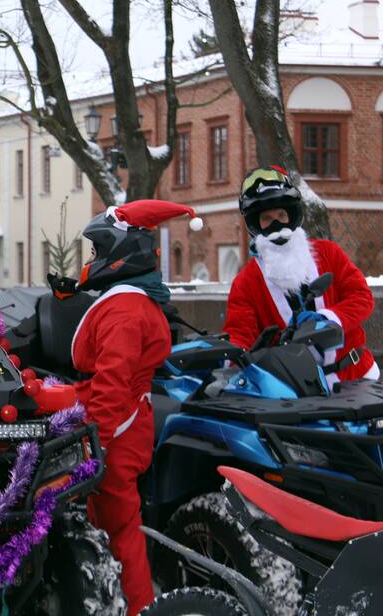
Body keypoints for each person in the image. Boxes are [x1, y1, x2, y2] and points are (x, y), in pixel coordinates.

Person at [73, 199, 203, 616]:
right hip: (129, 421)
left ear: (118, 253)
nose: (92, 260)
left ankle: (137, 607)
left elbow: (112, 383)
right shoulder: (132, 301)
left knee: (120, 529)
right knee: (112, 523)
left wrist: (98, 440)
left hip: (118, 426)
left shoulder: (125, 310)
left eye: (97, 251)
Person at [224, 165, 377, 383]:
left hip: (356, 376)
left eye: (281, 215)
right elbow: (241, 335)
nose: (276, 224)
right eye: (266, 218)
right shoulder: (246, 281)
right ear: (256, 224)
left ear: (292, 215)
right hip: (298, 390)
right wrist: (222, 357)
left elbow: (362, 298)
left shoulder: (327, 253)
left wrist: (327, 319)